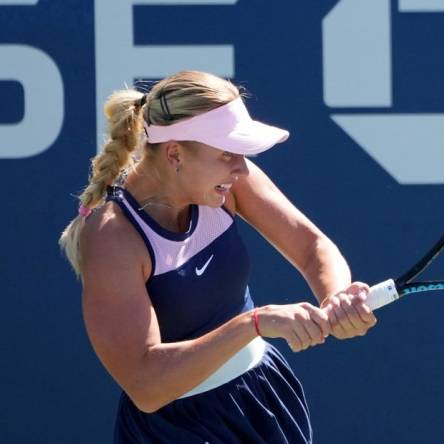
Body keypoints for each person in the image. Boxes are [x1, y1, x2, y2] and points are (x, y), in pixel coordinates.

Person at [59, 71, 377, 443]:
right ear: (175, 153)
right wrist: (253, 324)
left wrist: (335, 296)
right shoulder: (112, 236)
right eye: (227, 154)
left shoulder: (228, 182)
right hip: (177, 430)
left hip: (263, 397)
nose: (241, 168)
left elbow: (312, 247)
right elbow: (146, 385)